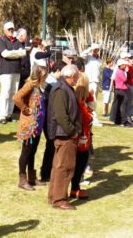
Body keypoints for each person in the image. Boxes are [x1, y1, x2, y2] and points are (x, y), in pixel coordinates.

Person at [47, 64, 82, 210]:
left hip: (65, 133)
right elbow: (60, 115)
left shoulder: (64, 88)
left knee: (58, 166)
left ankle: (54, 196)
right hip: (64, 134)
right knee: (65, 167)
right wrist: (72, 132)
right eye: (77, 77)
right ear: (72, 76)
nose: (78, 80)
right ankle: (59, 199)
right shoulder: (61, 90)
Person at [13, 65, 48, 191]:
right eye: (44, 75)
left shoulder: (39, 87)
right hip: (29, 125)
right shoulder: (30, 85)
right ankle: (22, 180)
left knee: (32, 152)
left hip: (36, 126)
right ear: (39, 75)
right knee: (26, 152)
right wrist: (25, 109)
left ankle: (32, 178)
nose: (46, 77)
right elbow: (17, 97)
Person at [39, 60, 66, 182]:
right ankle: (46, 173)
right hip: (48, 117)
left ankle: (47, 172)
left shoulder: (51, 81)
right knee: (50, 144)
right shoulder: (50, 83)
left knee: (50, 145)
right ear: (59, 71)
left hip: (48, 116)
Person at [0, 22, 27, 124]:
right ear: (5, 30)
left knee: (13, 93)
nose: (11, 31)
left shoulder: (17, 41)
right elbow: (5, 54)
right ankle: (2, 115)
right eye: (9, 29)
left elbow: (23, 53)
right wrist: (16, 53)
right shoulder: (1, 40)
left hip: (16, 70)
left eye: (12, 29)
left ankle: (9, 114)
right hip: (5, 70)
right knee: (5, 92)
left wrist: (12, 53)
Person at [70, 73, 92, 199]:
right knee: (80, 162)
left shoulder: (79, 99)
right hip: (81, 136)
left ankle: (75, 187)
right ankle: (75, 188)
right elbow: (86, 118)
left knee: (80, 161)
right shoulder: (79, 101)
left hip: (82, 134)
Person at [80, 43, 102, 127]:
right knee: (92, 100)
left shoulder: (99, 59)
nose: (96, 51)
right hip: (89, 81)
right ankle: (94, 118)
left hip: (95, 81)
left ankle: (91, 116)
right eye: (95, 49)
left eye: (97, 49)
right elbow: (82, 55)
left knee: (93, 100)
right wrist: (90, 48)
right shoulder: (88, 57)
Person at [113, 59, 132, 127]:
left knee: (120, 105)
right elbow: (125, 79)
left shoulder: (120, 71)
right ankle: (123, 121)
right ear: (121, 65)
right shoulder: (120, 71)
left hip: (120, 89)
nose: (125, 66)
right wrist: (126, 72)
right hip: (121, 89)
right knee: (122, 106)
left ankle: (119, 120)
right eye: (124, 65)